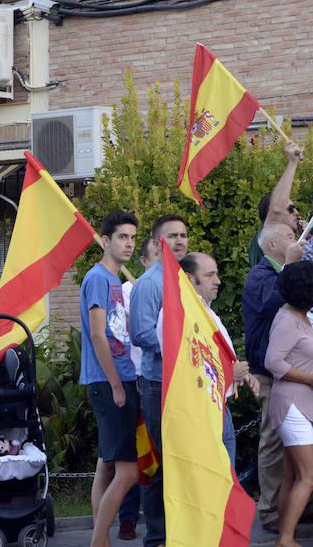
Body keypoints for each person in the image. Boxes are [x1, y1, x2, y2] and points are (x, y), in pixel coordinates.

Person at [79, 211, 140, 547]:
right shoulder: (98, 279)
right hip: (109, 381)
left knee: (105, 465)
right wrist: (116, 384)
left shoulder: (115, 281)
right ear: (105, 241)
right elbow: (98, 335)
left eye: (132, 238)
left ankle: (100, 539)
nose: (129, 243)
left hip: (120, 377)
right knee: (128, 471)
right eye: (122, 237)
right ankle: (98, 540)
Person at [129, 214, 188, 547]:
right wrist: (178, 345)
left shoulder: (185, 279)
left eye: (183, 235)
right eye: (171, 236)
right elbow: (140, 333)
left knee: (182, 462)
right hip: (157, 384)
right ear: (156, 243)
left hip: (185, 384)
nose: (179, 241)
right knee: (159, 466)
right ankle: (157, 537)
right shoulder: (150, 284)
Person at [242, 222, 305, 533]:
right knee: (274, 442)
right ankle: (269, 512)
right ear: (271, 246)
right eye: (290, 237)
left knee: (297, 447)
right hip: (269, 375)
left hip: (296, 376)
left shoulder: (285, 270)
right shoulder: (260, 275)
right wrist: (291, 266)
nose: (297, 240)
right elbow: (271, 303)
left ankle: (295, 507)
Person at [178, 252, 260, 466]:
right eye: (209, 275)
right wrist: (229, 374)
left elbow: (218, 353)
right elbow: (187, 367)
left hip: (218, 406)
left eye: (216, 274)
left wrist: (243, 373)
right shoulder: (183, 316)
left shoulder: (206, 312)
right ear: (189, 278)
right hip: (201, 412)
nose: (218, 281)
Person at [265, 262, 313, 547]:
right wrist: (309, 379)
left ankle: (286, 534)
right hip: (292, 405)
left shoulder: (298, 315)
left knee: (292, 474)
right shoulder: (287, 320)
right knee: (308, 476)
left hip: (300, 403)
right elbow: (273, 361)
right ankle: (285, 539)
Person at [118, 237, 157, 542]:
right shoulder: (129, 290)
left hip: (159, 380)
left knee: (155, 450)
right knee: (134, 451)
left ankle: (157, 516)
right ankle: (128, 517)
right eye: (155, 256)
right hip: (134, 379)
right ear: (143, 261)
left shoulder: (175, 289)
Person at [249, 142, 305, 267]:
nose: (296, 213)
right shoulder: (265, 235)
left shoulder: (289, 239)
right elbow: (277, 208)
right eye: (290, 209)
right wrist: (292, 162)